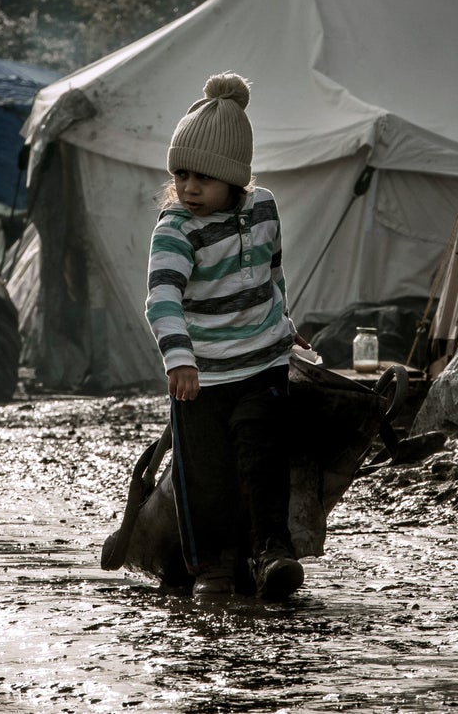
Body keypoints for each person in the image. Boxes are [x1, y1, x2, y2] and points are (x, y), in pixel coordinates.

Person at [144, 71, 309, 599]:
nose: (190, 188)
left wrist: (286, 327)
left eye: (205, 178)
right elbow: (163, 299)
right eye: (183, 175)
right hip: (202, 375)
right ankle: (215, 565)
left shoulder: (263, 209)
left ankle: (272, 552)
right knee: (206, 474)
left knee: (264, 461)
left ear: (236, 179)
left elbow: (272, 273)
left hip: (263, 363)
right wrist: (179, 361)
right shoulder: (175, 230)